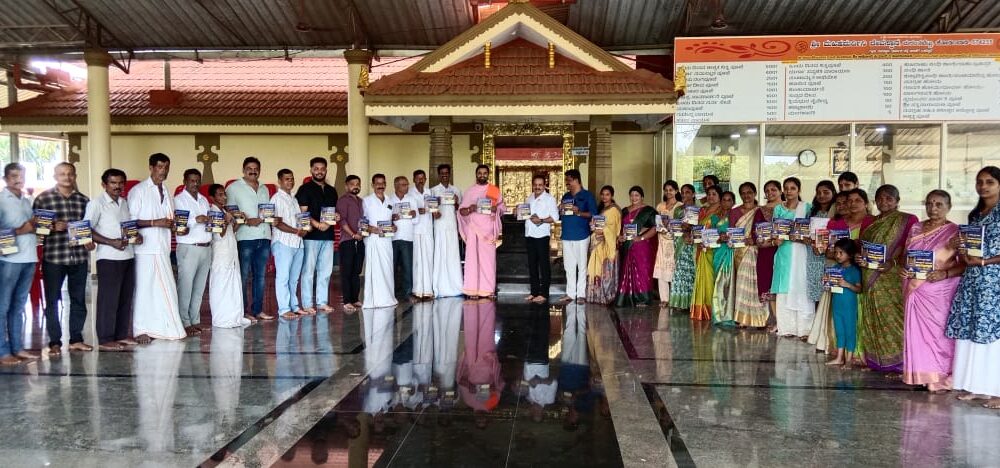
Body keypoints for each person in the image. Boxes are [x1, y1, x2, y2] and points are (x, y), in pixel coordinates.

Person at [946, 166, 1000, 409]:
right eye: (980, 182)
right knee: (972, 328)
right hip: (973, 279)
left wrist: (984, 262)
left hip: (993, 281)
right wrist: (961, 247)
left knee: (993, 332)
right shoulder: (975, 215)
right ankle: (978, 386)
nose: (983, 186)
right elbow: (971, 248)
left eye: (989, 182)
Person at [901, 190, 963, 392]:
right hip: (915, 289)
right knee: (917, 334)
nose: (933, 208)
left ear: (949, 207)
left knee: (938, 334)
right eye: (929, 204)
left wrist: (944, 274)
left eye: (939, 204)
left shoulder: (955, 232)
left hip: (940, 291)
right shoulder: (916, 228)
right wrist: (904, 269)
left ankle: (940, 378)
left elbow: (965, 265)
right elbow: (906, 257)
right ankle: (921, 375)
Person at [34, 162, 94, 355]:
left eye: (70, 174)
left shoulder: (84, 200)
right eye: (62, 174)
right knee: (52, 301)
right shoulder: (44, 199)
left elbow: (88, 228)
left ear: (75, 176)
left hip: (78, 258)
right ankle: (54, 342)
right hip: (54, 258)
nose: (67, 177)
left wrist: (89, 241)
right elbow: (37, 232)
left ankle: (76, 339)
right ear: (55, 177)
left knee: (78, 300)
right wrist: (52, 227)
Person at [858, 184, 918, 372]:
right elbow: (862, 246)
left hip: (892, 276)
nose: (884, 202)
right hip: (869, 274)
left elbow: (910, 247)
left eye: (889, 198)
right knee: (872, 316)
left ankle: (900, 364)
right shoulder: (869, 221)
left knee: (893, 317)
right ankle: (876, 362)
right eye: (880, 198)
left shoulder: (908, 220)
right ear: (875, 200)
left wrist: (892, 262)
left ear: (897, 201)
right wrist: (860, 257)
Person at [129, 153, 186, 343]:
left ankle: (161, 327)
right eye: (160, 167)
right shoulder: (139, 191)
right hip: (146, 249)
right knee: (145, 290)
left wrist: (173, 226)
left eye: (166, 167)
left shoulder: (166, 190)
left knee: (163, 290)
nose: (163, 171)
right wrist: (155, 222)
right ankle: (141, 329)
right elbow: (131, 221)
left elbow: (168, 218)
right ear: (151, 168)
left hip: (163, 247)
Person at [85, 168, 141, 351]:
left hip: (128, 255)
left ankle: (121, 335)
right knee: (108, 300)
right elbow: (87, 229)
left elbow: (128, 227)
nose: (117, 186)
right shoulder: (96, 204)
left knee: (125, 298)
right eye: (113, 183)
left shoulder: (124, 203)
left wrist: (136, 237)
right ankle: (105, 339)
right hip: (108, 258)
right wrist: (110, 242)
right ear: (104, 184)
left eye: (120, 183)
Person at [827, 188, 875, 363]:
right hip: (839, 285)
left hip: (865, 273)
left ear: (866, 203)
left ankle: (857, 354)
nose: (853, 204)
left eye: (858, 200)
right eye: (850, 201)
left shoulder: (873, 223)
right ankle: (840, 355)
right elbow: (829, 251)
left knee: (854, 322)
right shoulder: (838, 223)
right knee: (840, 324)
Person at [0, 163, 40, 364]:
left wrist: (38, 226)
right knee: (3, 306)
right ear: (5, 179)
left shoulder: (26, 200)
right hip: (9, 259)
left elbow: (31, 227)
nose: (19, 179)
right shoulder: (1, 200)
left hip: (29, 257)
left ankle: (17, 348)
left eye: (22, 175)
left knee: (18, 306)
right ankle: (2, 351)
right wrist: (20, 231)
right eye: (14, 176)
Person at [226, 156, 274, 321]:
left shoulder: (264, 188)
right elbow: (229, 212)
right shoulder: (233, 188)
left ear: (259, 170)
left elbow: (267, 212)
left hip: (264, 236)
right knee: (243, 276)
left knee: (260, 277)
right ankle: (242, 312)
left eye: (256, 169)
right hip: (244, 238)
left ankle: (257, 310)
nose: (253, 172)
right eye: (249, 169)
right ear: (243, 170)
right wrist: (246, 221)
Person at [771, 178, 815, 339]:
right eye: (786, 188)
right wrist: (776, 239)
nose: (789, 191)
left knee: (801, 286)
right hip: (784, 252)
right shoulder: (778, 209)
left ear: (799, 190)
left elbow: (812, 231)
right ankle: (786, 327)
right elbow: (775, 232)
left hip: (802, 251)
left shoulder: (807, 208)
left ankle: (804, 329)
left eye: (793, 188)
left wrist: (803, 238)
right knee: (784, 287)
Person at [295, 157, 339, 314]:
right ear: (311, 170)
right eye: (316, 168)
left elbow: (333, 211)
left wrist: (335, 217)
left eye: (322, 169)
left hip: (328, 235)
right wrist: (317, 224)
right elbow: (303, 212)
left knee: (325, 271)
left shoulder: (332, 190)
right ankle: (307, 304)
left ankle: (322, 302)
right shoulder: (304, 189)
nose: (319, 171)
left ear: (326, 170)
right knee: (308, 271)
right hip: (311, 237)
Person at [206, 184, 252, 328]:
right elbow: (220, 234)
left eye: (224, 194)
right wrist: (226, 220)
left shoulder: (225, 210)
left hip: (231, 249)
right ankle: (222, 318)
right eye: (220, 195)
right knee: (222, 283)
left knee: (233, 282)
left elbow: (232, 230)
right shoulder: (212, 212)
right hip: (221, 252)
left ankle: (235, 316)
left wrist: (239, 220)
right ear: (212, 198)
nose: (224, 197)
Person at [174, 168, 212, 336]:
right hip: (188, 247)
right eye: (192, 180)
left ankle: (195, 320)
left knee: (199, 288)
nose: (195, 184)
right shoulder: (178, 200)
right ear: (185, 181)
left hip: (206, 247)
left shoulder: (204, 200)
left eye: (198, 181)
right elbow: (178, 223)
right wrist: (196, 219)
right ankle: (184, 321)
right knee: (186, 286)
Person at [457, 164, 505, 299]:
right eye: (480, 173)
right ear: (476, 174)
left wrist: (496, 209)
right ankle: (472, 290)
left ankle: (488, 290)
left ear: (488, 175)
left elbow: (502, 208)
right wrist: (469, 209)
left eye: (485, 173)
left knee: (488, 260)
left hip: (488, 231)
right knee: (472, 260)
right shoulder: (470, 191)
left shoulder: (494, 190)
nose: (482, 175)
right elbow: (461, 211)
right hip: (473, 229)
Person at [807, 181, 839, 353]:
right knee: (815, 291)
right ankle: (816, 329)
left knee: (826, 292)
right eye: (818, 192)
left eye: (826, 192)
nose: (821, 195)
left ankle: (825, 332)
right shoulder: (812, 212)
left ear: (833, 193)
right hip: (813, 256)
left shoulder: (837, 211)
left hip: (830, 258)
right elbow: (806, 233)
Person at [272, 169, 307, 320]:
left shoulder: (294, 199)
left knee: (294, 279)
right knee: (283, 277)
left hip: (297, 243)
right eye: (287, 179)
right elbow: (277, 223)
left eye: (292, 179)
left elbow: (299, 220)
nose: (290, 181)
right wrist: (296, 231)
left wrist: (304, 230)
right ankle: (284, 309)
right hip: (283, 243)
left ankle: (294, 306)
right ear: (280, 181)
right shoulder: (276, 199)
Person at [731, 182, 768, 328]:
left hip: (757, 251)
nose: (746, 196)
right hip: (740, 251)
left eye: (749, 192)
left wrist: (754, 240)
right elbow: (731, 232)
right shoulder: (734, 212)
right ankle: (742, 318)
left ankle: (760, 319)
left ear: (755, 193)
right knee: (742, 285)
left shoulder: (762, 211)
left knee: (757, 283)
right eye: (743, 193)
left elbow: (764, 232)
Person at [558, 169, 596, 304]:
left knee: (582, 266)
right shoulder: (566, 196)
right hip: (567, 235)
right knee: (568, 266)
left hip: (581, 235)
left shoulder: (587, 195)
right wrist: (560, 208)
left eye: (568, 180)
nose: (567, 183)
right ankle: (570, 293)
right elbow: (561, 215)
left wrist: (578, 212)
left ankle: (581, 294)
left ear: (576, 180)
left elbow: (593, 214)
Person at [690, 186, 728, 320]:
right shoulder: (703, 210)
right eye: (709, 194)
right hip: (700, 248)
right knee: (701, 277)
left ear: (719, 196)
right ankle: (701, 309)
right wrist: (692, 236)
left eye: (714, 194)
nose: (711, 196)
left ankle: (713, 310)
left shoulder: (722, 211)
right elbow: (696, 228)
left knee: (712, 278)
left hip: (714, 249)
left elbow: (723, 230)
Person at [616, 186, 658, 307]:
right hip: (627, 245)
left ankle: (643, 299)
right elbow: (620, 228)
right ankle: (625, 297)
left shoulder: (649, 211)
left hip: (642, 246)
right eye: (632, 195)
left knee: (642, 270)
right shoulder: (624, 211)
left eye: (637, 195)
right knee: (626, 269)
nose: (634, 198)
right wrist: (620, 237)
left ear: (642, 197)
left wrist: (641, 238)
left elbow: (655, 228)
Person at [362, 174, 397, 309]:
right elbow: (362, 222)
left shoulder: (390, 201)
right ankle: (375, 300)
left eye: (383, 183)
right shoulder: (366, 201)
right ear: (373, 185)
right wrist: (372, 229)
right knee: (375, 270)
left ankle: (388, 298)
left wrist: (394, 227)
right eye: (377, 183)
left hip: (386, 240)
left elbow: (391, 221)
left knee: (387, 269)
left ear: (385, 184)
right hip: (373, 240)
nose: (380, 186)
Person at [826, 239, 862, 368]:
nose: (837, 255)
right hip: (837, 304)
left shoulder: (854, 271)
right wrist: (827, 282)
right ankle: (839, 358)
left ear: (850, 254)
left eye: (841, 253)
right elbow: (830, 286)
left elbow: (859, 289)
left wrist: (847, 284)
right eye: (836, 252)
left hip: (849, 306)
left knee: (850, 331)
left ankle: (849, 359)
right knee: (839, 331)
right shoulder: (835, 268)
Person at [524, 175, 558, 303]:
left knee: (544, 265)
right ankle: (534, 292)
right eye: (535, 185)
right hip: (530, 234)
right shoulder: (529, 198)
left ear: (544, 186)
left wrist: (541, 220)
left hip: (542, 235)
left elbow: (554, 217)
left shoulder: (549, 199)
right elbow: (525, 214)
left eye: (540, 185)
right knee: (532, 265)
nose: (537, 187)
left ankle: (544, 294)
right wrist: (518, 212)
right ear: (532, 185)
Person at [430, 164, 463, 298]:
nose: (444, 175)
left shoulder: (456, 190)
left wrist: (456, 202)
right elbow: (431, 210)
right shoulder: (433, 191)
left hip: (452, 227)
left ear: (450, 174)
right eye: (442, 173)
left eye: (446, 173)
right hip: (439, 226)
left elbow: (459, 210)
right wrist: (435, 207)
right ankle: (440, 287)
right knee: (440, 254)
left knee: (452, 255)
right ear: (439, 175)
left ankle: (456, 286)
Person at [754, 180, 782, 332]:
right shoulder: (761, 210)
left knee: (782, 284)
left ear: (780, 191)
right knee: (768, 283)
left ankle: (784, 321)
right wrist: (766, 242)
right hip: (766, 253)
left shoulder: (787, 209)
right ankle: (772, 319)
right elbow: (756, 233)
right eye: (767, 190)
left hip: (785, 250)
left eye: (773, 189)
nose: (770, 193)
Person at [586, 186, 620, 305]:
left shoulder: (614, 210)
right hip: (598, 243)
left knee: (604, 269)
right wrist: (593, 226)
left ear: (612, 196)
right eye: (603, 194)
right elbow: (596, 225)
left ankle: (606, 295)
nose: (604, 197)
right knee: (595, 268)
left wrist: (603, 232)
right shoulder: (600, 209)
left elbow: (614, 228)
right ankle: (595, 295)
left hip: (607, 244)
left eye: (607, 194)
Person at [337, 175, 364, 312]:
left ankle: (355, 299)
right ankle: (347, 301)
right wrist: (353, 234)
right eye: (352, 184)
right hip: (347, 241)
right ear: (346, 186)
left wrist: (362, 234)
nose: (356, 186)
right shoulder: (343, 200)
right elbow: (342, 221)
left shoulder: (361, 201)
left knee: (356, 271)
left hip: (360, 240)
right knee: (347, 272)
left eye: (358, 184)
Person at [654, 181, 683, 307]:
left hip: (675, 241)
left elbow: (684, 224)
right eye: (666, 190)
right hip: (662, 240)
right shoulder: (660, 206)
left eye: (671, 190)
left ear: (676, 191)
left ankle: (675, 298)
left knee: (674, 268)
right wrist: (660, 227)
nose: (668, 192)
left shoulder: (681, 206)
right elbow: (656, 223)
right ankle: (664, 299)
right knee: (661, 269)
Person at [710, 190, 737, 326]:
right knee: (718, 283)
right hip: (718, 252)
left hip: (732, 252)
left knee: (730, 283)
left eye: (729, 200)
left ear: (734, 202)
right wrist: (720, 238)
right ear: (720, 202)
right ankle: (718, 314)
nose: (726, 202)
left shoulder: (737, 216)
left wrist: (731, 238)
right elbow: (711, 236)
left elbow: (740, 234)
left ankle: (729, 315)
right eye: (724, 200)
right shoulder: (715, 218)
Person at [669, 184, 697, 310]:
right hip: (679, 241)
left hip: (691, 242)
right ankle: (679, 302)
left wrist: (689, 229)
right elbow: (675, 225)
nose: (684, 195)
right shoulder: (678, 209)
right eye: (683, 192)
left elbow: (700, 227)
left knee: (689, 272)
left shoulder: (699, 210)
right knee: (679, 272)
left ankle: (690, 302)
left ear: (693, 194)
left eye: (688, 192)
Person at [409, 170, 435, 300]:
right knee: (417, 261)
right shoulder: (409, 193)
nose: (420, 180)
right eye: (418, 178)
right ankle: (417, 290)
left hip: (428, 230)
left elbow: (434, 210)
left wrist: (434, 211)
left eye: (422, 178)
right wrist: (416, 211)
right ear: (414, 179)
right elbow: (406, 211)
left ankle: (428, 290)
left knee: (428, 260)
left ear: (425, 179)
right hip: (415, 231)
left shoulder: (429, 193)